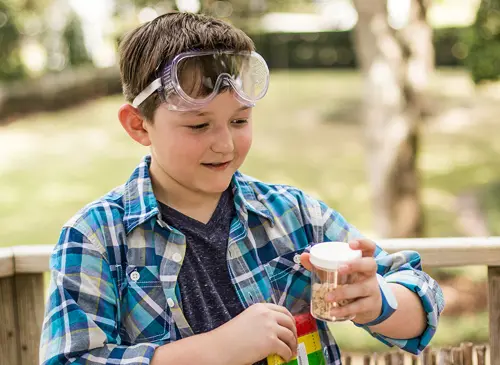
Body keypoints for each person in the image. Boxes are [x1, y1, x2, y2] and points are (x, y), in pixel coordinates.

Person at [39, 12, 445, 365]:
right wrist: (215, 351)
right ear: (138, 125)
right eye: (199, 125)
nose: (225, 144)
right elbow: (72, 359)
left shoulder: (294, 214)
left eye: (240, 121)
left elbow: (421, 295)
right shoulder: (95, 237)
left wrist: (379, 301)